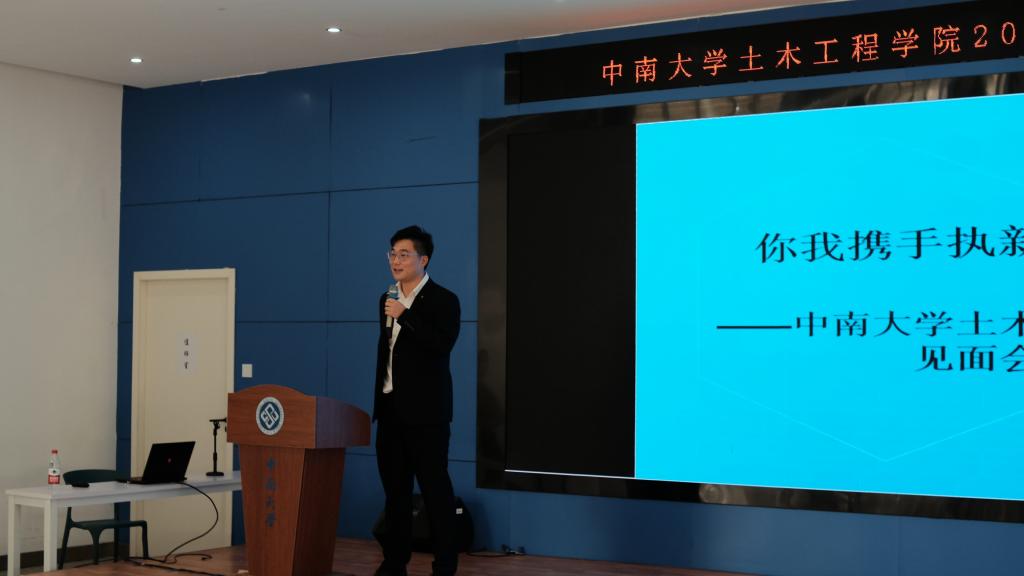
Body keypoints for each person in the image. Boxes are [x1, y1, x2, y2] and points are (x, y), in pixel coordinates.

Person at [374, 225, 461, 576]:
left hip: (427, 417)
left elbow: (441, 346)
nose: (396, 261)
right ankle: (395, 563)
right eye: (392, 254)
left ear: (423, 260)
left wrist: (405, 315)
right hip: (391, 413)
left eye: (404, 254)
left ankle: (445, 565)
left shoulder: (444, 300)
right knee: (395, 494)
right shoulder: (386, 298)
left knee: (435, 493)